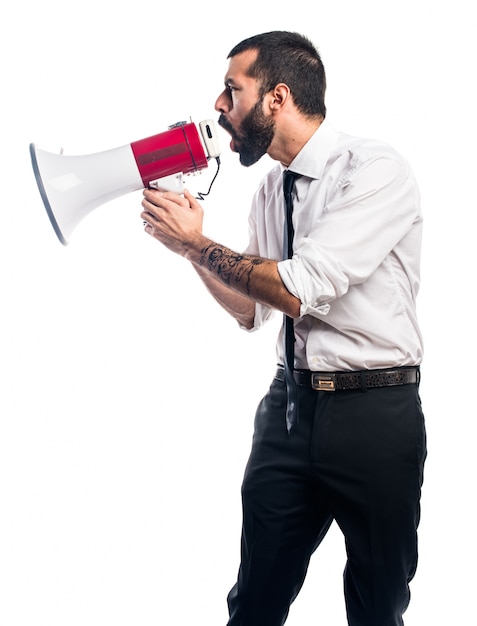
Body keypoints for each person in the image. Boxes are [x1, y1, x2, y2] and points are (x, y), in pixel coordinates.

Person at [141, 31, 427, 626]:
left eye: (231, 90)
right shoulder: (273, 188)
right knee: (255, 601)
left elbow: (297, 288)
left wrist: (201, 242)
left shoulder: (372, 170)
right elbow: (251, 308)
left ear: (276, 97)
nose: (219, 106)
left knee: (377, 607)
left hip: (376, 415)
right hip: (289, 411)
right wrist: (190, 251)